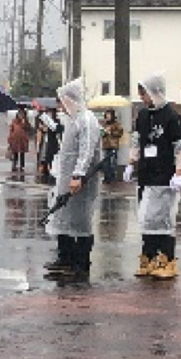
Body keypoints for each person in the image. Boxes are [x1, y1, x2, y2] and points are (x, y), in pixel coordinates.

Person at [126, 72, 181, 279]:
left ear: (155, 92)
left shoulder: (172, 117)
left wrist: (179, 171)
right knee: (146, 218)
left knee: (162, 219)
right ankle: (149, 256)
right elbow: (137, 141)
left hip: (165, 176)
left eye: (144, 93)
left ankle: (167, 259)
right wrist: (131, 163)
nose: (143, 98)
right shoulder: (143, 116)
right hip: (146, 175)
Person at [44, 80, 102, 283]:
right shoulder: (73, 120)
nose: (61, 106)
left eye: (63, 101)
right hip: (65, 179)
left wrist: (78, 175)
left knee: (80, 222)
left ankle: (80, 263)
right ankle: (65, 259)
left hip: (79, 182)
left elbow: (86, 151)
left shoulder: (86, 120)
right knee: (64, 219)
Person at [37, 106, 62, 184]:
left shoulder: (57, 122)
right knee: (48, 160)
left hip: (54, 146)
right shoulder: (51, 122)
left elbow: (55, 128)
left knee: (52, 161)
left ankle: (52, 177)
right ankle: (49, 174)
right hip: (49, 144)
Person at [99, 109, 125, 185]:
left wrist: (111, 132)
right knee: (105, 163)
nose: (108, 116)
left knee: (113, 162)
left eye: (109, 115)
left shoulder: (117, 124)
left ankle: (113, 178)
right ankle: (107, 178)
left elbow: (120, 133)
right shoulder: (104, 124)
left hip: (113, 145)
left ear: (112, 116)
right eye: (106, 115)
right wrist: (103, 132)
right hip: (105, 145)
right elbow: (101, 134)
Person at [7, 107, 33, 174]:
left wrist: (24, 122)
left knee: (22, 153)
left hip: (22, 140)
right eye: (19, 114)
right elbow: (11, 130)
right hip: (15, 139)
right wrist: (9, 139)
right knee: (15, 153)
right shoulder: (14, 121)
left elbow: (29, 129)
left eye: (22, 114)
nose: (20, 115)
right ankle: (14, 165)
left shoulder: (25, 122)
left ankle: (22, 166)